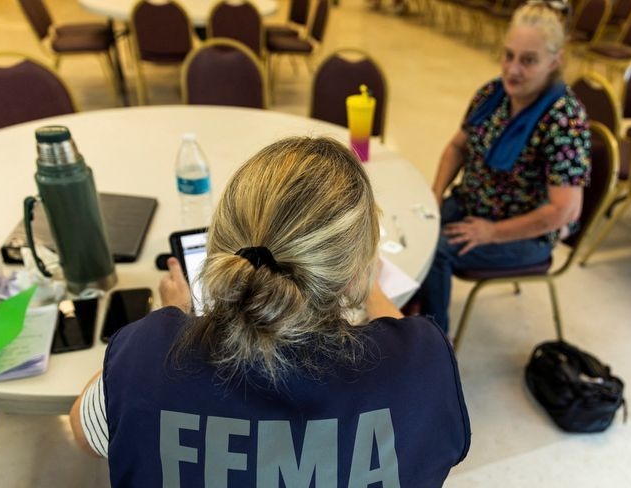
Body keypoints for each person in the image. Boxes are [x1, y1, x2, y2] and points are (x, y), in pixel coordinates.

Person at [70, 137, 470, 487]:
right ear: (352, 272)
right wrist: (369, 288)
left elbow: (83, 432)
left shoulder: (147, 356)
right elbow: (403, 350)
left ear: (221, 250)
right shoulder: (424, 363)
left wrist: (167, 317)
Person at [418, 1, 591, 333]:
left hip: (526, 233)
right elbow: (458, 146)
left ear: (555, 61)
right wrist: (436, 194)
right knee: (417, 224)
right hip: (473, 202)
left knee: (436, 250)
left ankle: (433, 346)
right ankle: (406, 317)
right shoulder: (492, 94)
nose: (512, 69)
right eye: (508, 55)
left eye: (528, 60)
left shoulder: (565, 120)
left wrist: (492, 232)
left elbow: (563, 210)